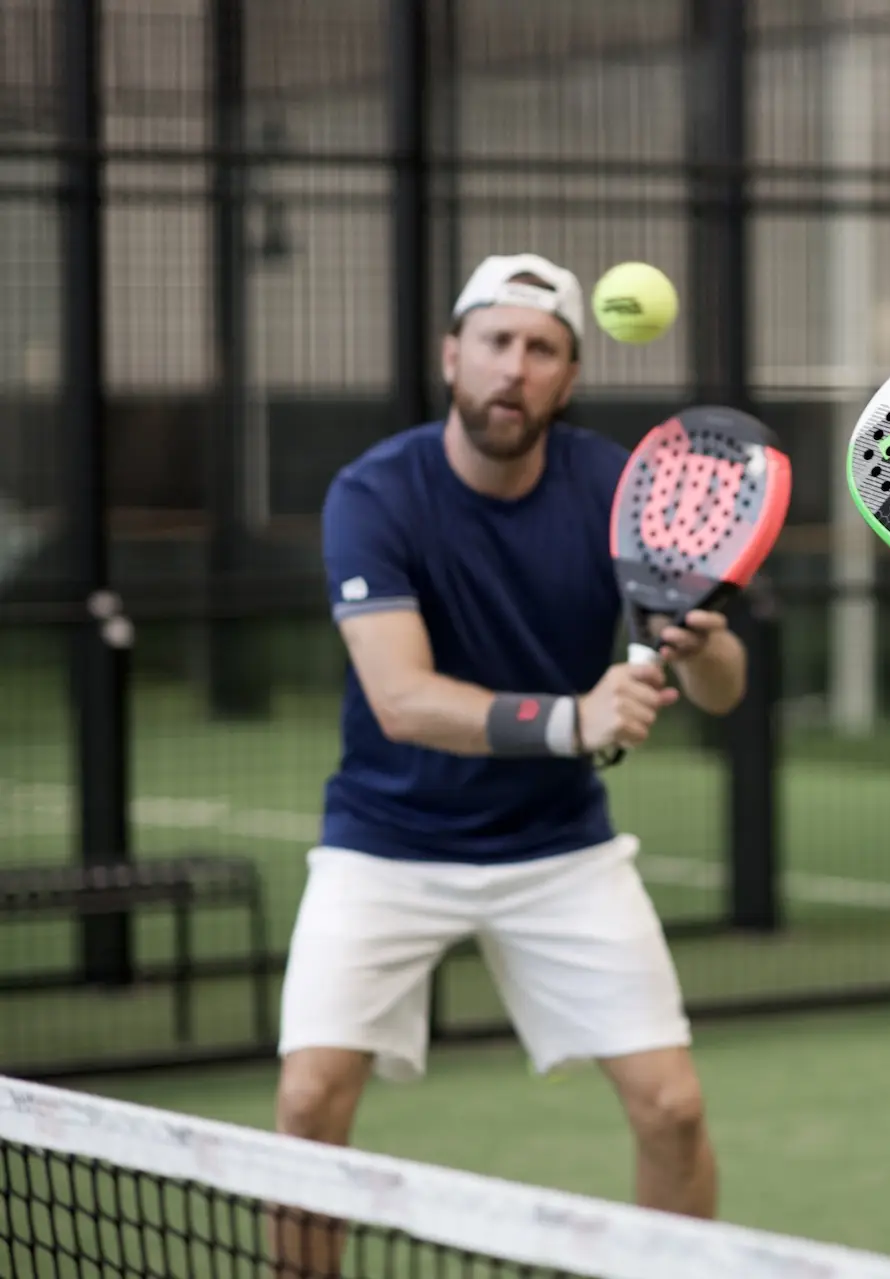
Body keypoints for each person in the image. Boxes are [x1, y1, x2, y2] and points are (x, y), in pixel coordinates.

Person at [274, 253, 741, 1265]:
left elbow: (724, 687)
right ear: (453, 354)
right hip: (384, 844)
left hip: (557, 849)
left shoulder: (621, 488)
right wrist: (578, 720)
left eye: (542, 350)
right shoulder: (375, 493)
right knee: (308, 1106)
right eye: (495, 341)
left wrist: (705, 649)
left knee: (672, 1109)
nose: (514, 368)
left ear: (568, 378)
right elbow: (401, 700)